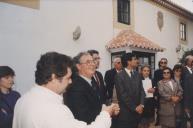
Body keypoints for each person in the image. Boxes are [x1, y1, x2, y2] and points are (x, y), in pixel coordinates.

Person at [13, 52, 119, 128]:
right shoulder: (54, 110)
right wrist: (106, 113)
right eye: (68, 78)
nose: (70, 82)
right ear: (53, 77)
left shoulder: (22, 100)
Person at [65, 52, 120, 124]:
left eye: (93, 61)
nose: (93, 64)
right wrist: (107, 112)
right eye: (88, 62)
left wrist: (110, 108)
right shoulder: (74, 87)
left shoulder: (92, 82)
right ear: (78, 66)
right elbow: (82, 117)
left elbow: (97, 104)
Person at [115, 53, 145, 128]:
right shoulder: (119, 76)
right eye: (134, 59)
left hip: (137, 113)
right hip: (126, 114)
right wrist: (135, 108)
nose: (137, 61)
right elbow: (122, 95)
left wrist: (141, 105)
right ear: (129, 62)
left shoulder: (137, 74)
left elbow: (142, 91)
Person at [104, 57, 122, 128]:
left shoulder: (124, 72)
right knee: (114, 118)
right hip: (112, 99)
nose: (120, 64)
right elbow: (108, 85)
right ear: (114, 64)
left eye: (120, 62)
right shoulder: (109, 73)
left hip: (123, 99)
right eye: (118, 62)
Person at [181, 55, 193, 127]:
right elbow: (185, 87)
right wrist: (186, 105)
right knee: (185, 120)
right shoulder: (183, 70)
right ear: (187, 61)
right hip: (187, 100)